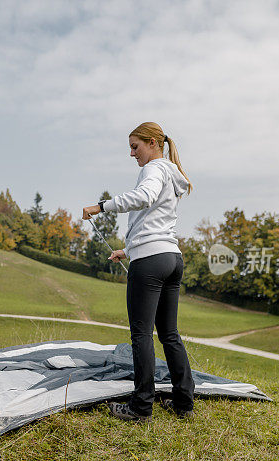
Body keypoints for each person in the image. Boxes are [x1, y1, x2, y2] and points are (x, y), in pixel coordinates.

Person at [82, 122, 195, 421]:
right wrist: (128, 251)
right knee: (169, 333)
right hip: (171, 257)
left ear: (154, 143)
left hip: (151, 261)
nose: (132, 153)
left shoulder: (154, 170)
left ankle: (141, 406)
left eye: (136, 146)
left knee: (141, 334)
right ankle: (184, 403)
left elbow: (143, 198)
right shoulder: (172, 174)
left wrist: (101, 206)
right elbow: (153, 220)